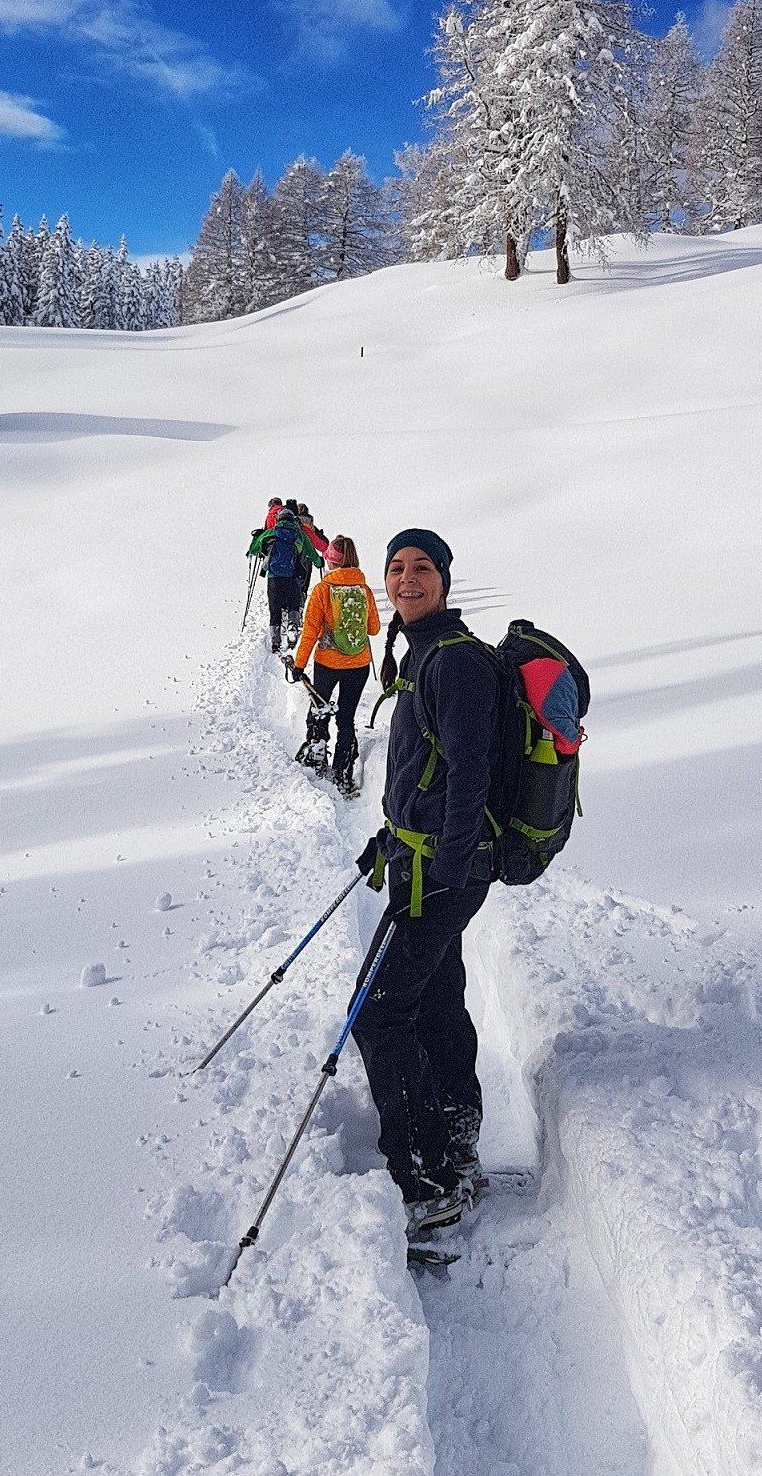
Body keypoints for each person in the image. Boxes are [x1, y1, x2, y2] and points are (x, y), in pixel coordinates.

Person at [352, 529, 498, 1253]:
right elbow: (427, 767)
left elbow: (471, 771)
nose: (408, 580)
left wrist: (447, 859)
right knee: (436, 997)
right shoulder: (426, 654)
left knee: (378, 1012)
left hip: (444, 872)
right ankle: (457, 1136)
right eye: (398, 568)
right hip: (426, 863)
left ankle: (429, 1180)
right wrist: (394, 833)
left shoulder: (457, 663)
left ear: (445, 580)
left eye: (423, 569)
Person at [289, 536, 380, 794]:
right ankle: (343, 770)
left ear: (331, 560)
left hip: (327, 662)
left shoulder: (322, 590)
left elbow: (310, 631)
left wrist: (299, 664)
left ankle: (317, 753)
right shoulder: (364, 590)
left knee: (320, 708)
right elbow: (373, 629)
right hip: (359, 664)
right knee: (346, 717)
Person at [247, 508, 321, 653]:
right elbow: (312, 554)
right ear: (293, 520)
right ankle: (292, 629)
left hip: (274, 578)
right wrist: (319, 563)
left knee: (275, 610)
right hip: (293, 577)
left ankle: (276, 641)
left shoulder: (270, 533)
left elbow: (253, 550)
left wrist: (256, 539)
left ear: (278, 520)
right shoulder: (299, 534)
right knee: (294, 605)